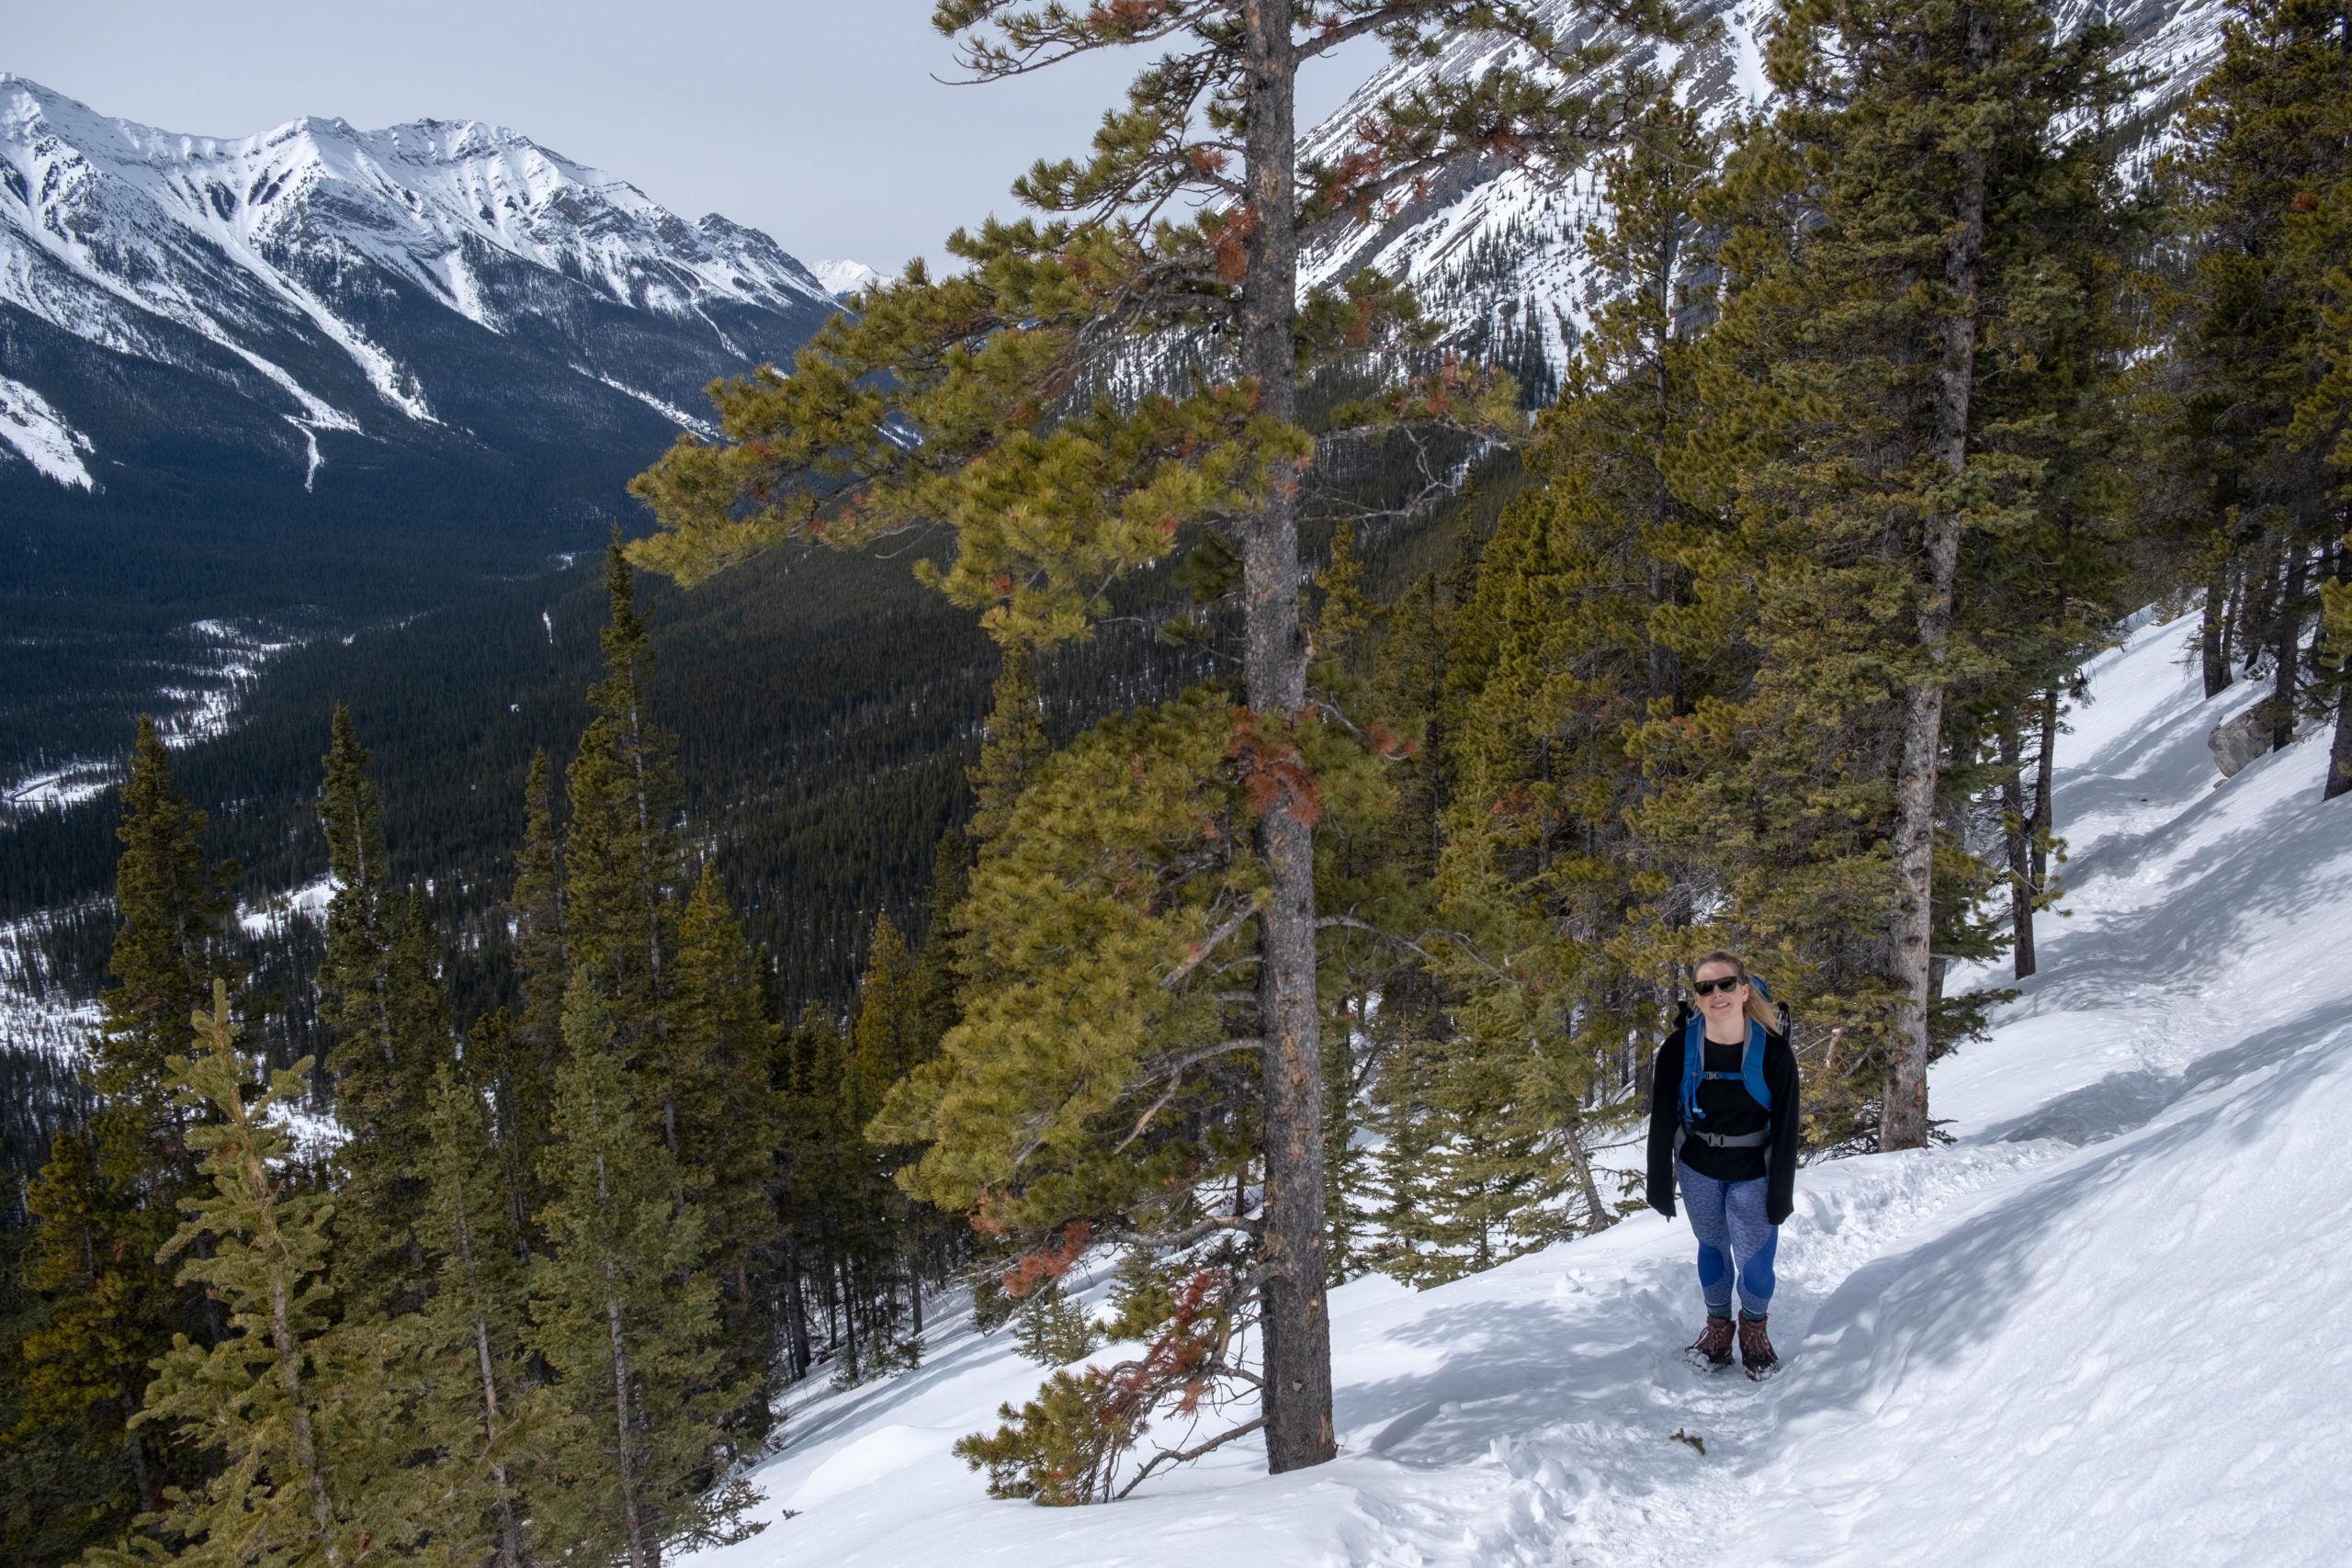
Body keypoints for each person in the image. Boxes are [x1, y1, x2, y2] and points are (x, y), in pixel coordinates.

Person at [1645, 951, 1801, 1379]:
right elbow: (1662, 1117)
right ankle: (1718, 1329)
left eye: (1726, 984)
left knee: (1755, 1259)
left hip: (1755, 1168)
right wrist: (1658, 1184)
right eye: (1705, 987)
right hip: (1698, 1167)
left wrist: (1780, 1195)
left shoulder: (1773, 1053)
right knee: (1712, 1247)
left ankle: (1754, 1329)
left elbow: (1788, 1127)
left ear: (1744, 989)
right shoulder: (1679, 1049)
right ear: (1696, 998)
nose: (1717, 994)